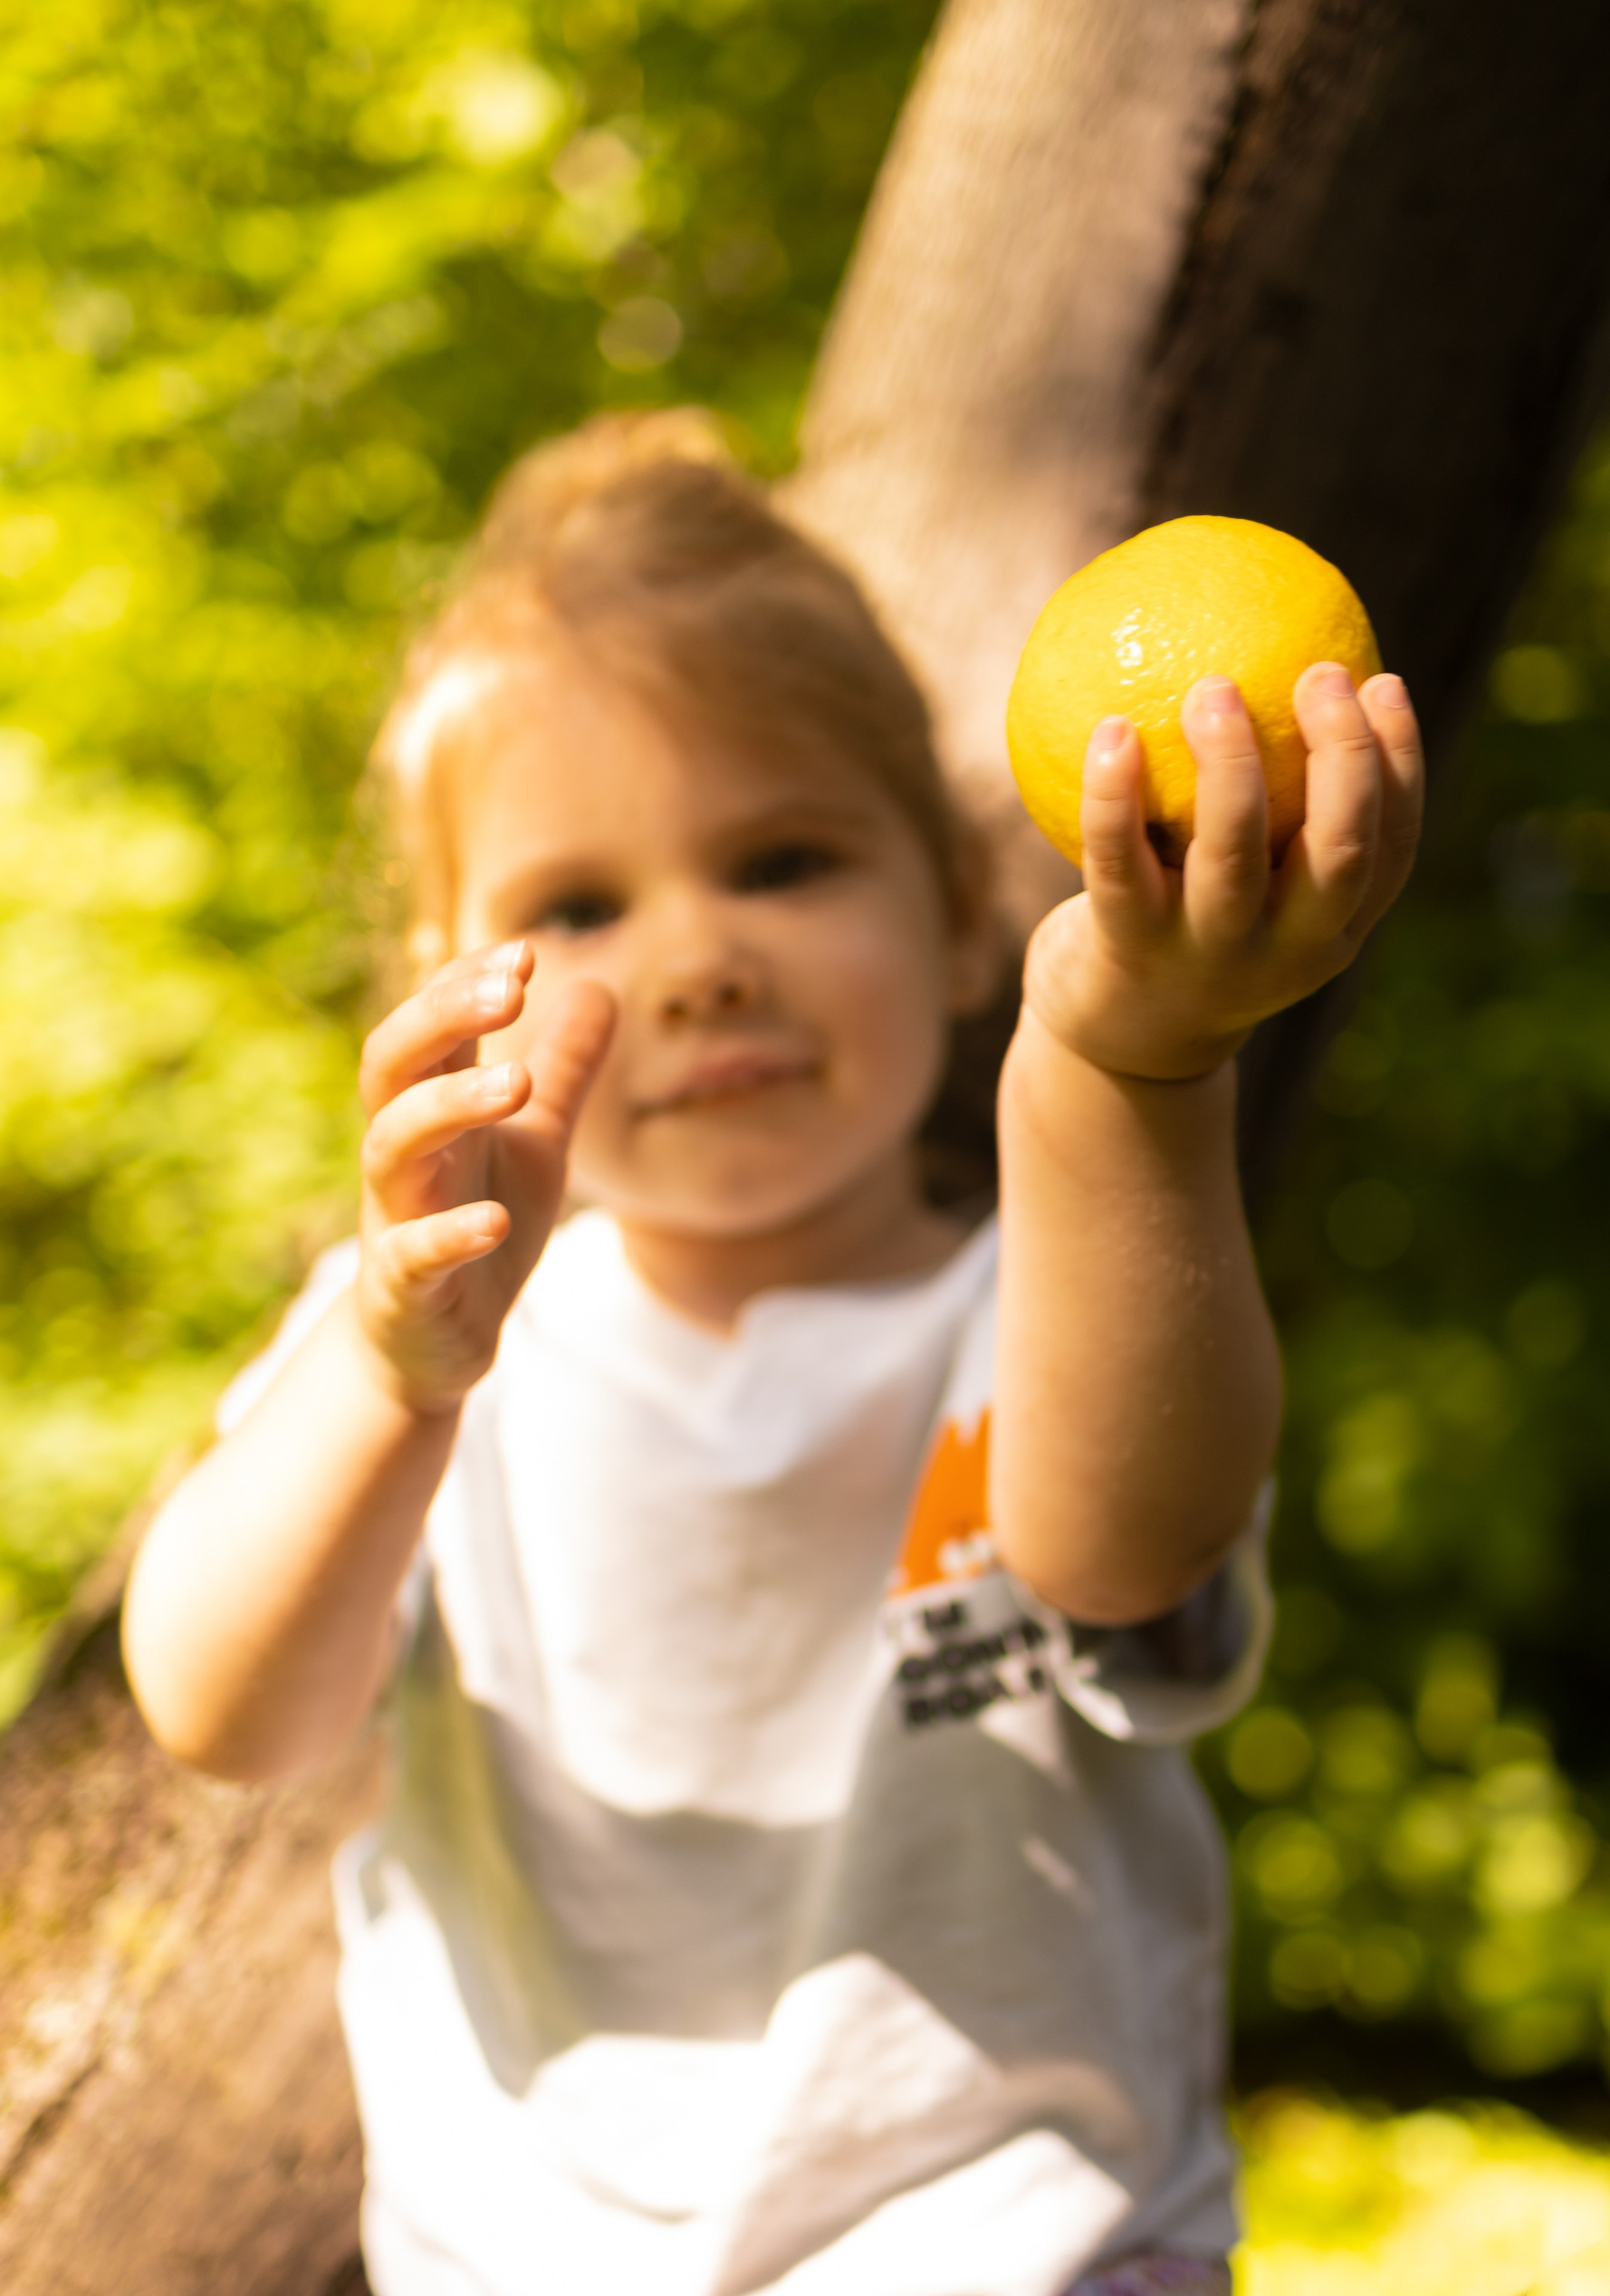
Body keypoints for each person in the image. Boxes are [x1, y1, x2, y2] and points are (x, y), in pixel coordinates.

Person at [123, 411, 1423, 2296]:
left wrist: (1131, 1064)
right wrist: (395, 1366)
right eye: (577, 905)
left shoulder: (1057, 1295)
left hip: (1023, 2252)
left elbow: (1122, 1550)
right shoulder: (439, 1325)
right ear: (446, 967)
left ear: (968, 900)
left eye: (785, 860)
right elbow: (221, 1709)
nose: (697, 960)